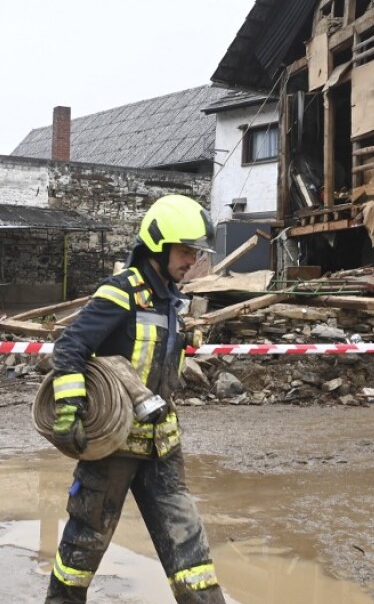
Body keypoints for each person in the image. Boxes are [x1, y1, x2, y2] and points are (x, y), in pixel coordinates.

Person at [45, 194, 226, 603]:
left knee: (190, 550)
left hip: (161, 446)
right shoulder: (121, 292)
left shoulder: (171, 302)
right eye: (185, 250)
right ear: (158, 247)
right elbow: (70, 348)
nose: (191, 260)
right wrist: (69, 408)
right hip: (114, 445)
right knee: (83, 546)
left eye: (195, 252)